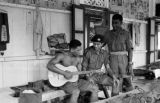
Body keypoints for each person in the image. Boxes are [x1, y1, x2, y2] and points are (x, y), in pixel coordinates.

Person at [104, 14, 134, 92]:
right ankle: (116, 99)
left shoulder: (126, 34)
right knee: (115, 81)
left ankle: (132, 98)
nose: (114, 25)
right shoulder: (108, 34)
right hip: (112, 59)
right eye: (113, 23)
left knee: (128, 80)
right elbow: (100, 45)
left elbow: (130, 50)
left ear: (121, 23)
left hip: (124, 60)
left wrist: (130, 64)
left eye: (116, 23)